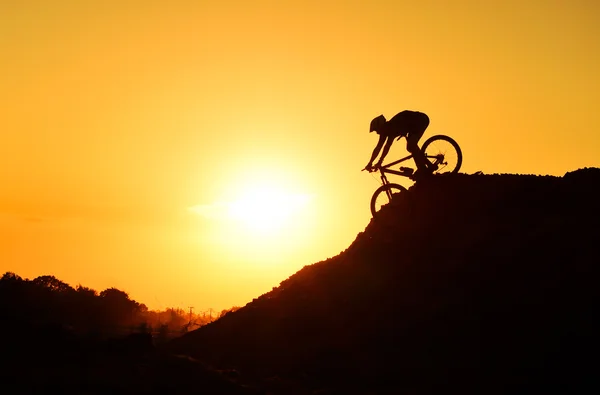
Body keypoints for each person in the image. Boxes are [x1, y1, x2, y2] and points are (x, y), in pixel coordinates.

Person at [363, 110, 434, 178]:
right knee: (410, 147)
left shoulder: (391, 127)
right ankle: (425, 166)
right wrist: (370, 163)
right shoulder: (384, 132)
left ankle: (425, 166)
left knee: (412, 145)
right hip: (412, 125)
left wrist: (379, 161)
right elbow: (378, 147)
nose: (377, 133)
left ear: (381, 126)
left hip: (421, 120)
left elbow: (387, 146)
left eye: (376, 130)